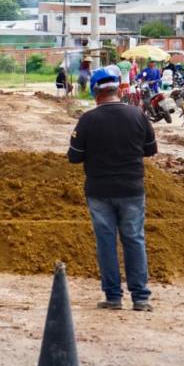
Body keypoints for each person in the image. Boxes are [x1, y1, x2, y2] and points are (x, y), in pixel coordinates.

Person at [68, 65, 157, 312]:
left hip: (99, 190)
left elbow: (74, 157)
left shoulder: (88, 120)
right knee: (134, 240)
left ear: (96, 93)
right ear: (117, 90)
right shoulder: (138, 115)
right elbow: (150, 149)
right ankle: (140, 298)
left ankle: (113, 297)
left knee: (106, 242)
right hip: (131, 188)